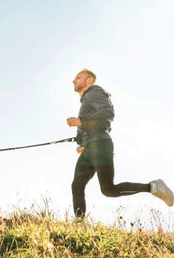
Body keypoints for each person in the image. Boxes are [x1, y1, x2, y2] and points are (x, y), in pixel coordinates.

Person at [67, 69, 173, 218]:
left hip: (100, 144)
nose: (74, 80)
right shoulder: (87, 98)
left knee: (108, 189)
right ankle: (79, 224)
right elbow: (93, 124)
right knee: (78, 186)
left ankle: (154, 187)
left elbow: (108, 113)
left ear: (89, 80)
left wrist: (82, 121)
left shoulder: (94, 92)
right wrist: (82, 142)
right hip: (90, 147)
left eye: (78, 77)